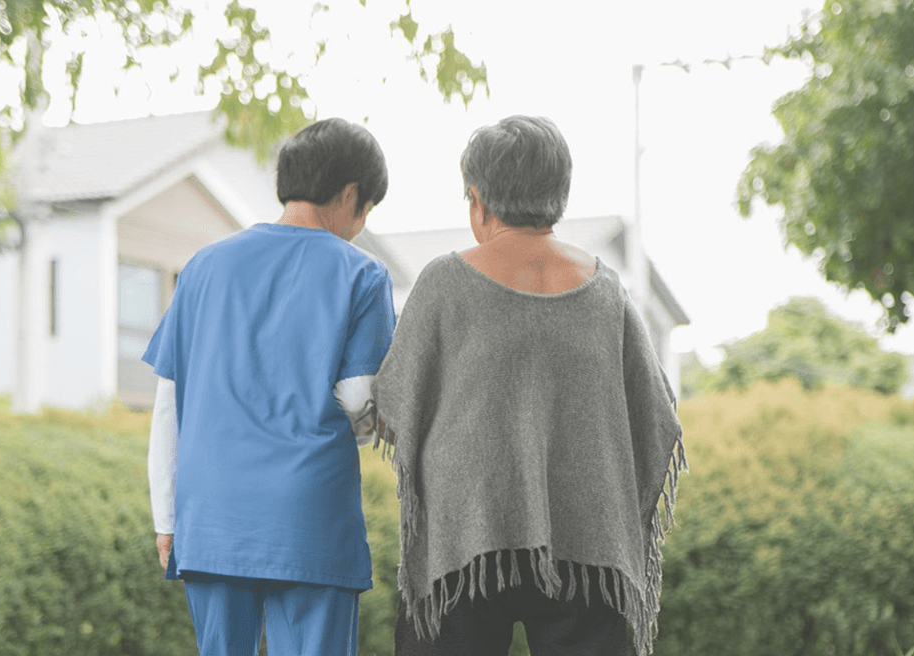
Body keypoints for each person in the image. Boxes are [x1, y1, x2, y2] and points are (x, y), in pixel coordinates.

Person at [373, 115, 688, 656]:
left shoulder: (444, 282)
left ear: (478, 200)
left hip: (464, 544)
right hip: (587, 541)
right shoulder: (606, 293)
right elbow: (657, 416)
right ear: (559, 195)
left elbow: (394, 405)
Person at [144, 118, 397, 655]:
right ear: (350, 194)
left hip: (212, 516)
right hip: (309, 515)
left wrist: (167, 518)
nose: (360, 226)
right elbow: (359, 401)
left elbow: (170, 405)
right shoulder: (362, 274)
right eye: (367, 211)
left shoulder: (201, 269)